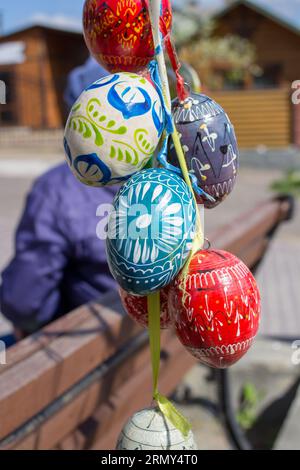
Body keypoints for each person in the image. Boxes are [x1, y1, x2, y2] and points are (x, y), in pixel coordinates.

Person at [0, 57, 118, 337]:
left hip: (86, 351)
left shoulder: (59, 188)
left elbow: (24, 302)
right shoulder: (167, 180)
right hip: (145, 345)